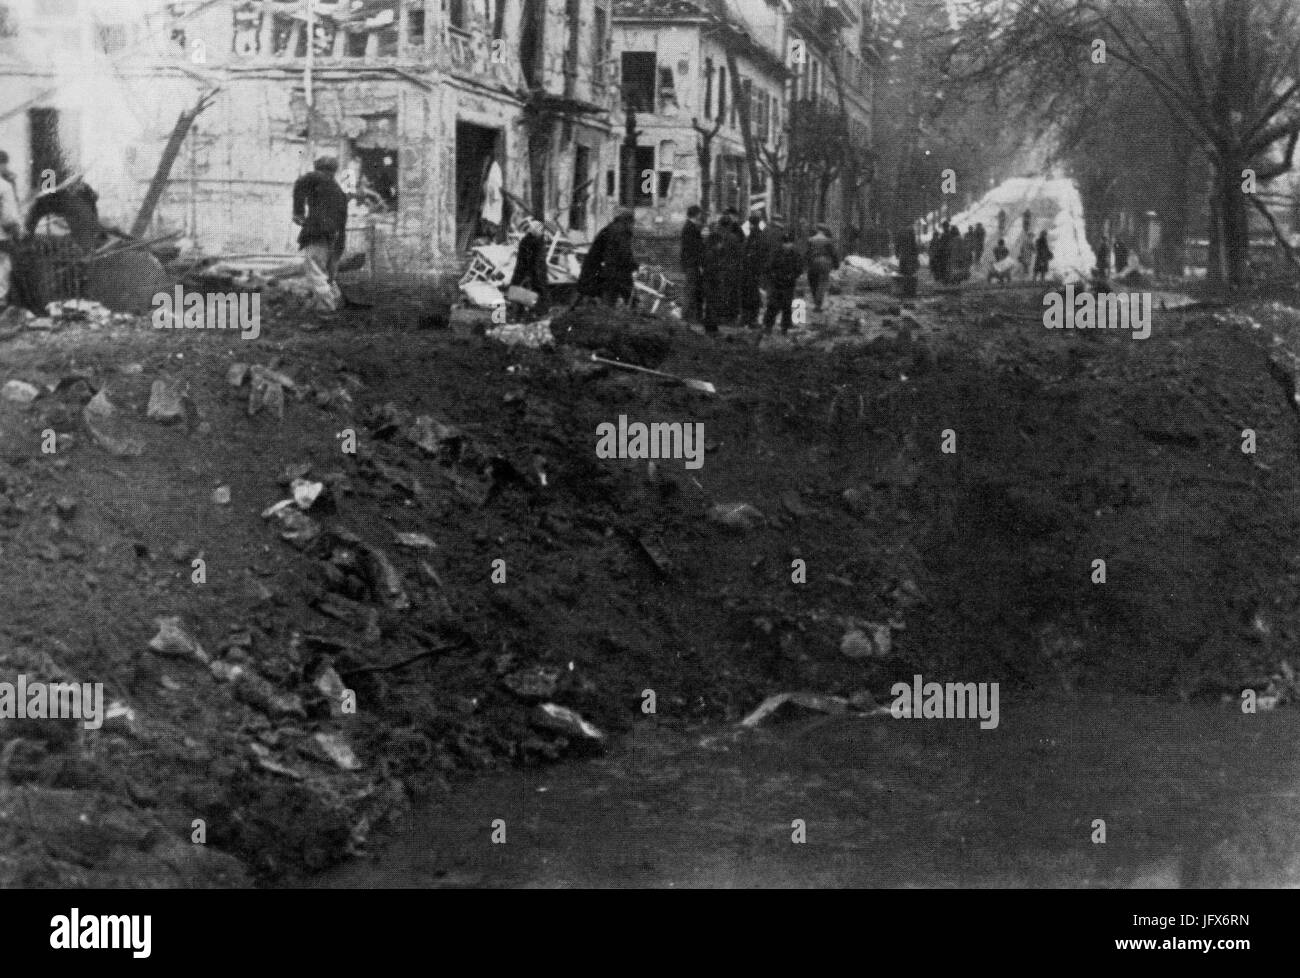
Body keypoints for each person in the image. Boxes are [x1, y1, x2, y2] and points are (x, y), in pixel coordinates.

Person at [292, 155, 349, 311]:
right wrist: (339, 246)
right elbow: (343, 220)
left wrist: (298, 212)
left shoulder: (318, 178)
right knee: (327, 275)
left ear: (318, 168)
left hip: (317, 233)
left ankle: (326, 310)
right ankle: (337, 301)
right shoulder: (339, 190)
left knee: (316, 272)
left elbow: (300, 182)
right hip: (335, 237)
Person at [577, 210, 637, 306]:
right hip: (617, 270)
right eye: (633, 224)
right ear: (630, 222)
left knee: (610, 295)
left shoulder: (608, 229)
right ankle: (634, 316)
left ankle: (607, 313)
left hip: (602, 269)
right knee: (629, 298)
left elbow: (599, 252)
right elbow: (623, 252)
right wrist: (633, 265)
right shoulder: (623, 231)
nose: (633, 227)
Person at [702, 214, 743, 332]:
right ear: (730, 225)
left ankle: (718, 318)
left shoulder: (714, 237)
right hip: (729, 270)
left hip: (718, 270)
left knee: (718, 295)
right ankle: (727, 318)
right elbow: (739, 255)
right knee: (729, 294)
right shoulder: (733, 238)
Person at [763, 230, 805, 333]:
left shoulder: (777, 251)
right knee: (786, 305)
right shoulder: (795, 252)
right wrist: (793, 276)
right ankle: (784, 327)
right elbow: (799, 268)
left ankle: (768, 326)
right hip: (789, 282)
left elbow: (769, 266)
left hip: (777, 281)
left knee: (773, 305)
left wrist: (772, 276)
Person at [739, 211, 774, 329]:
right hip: (756, 271)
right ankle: (752, 319)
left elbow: (745, 252)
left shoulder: (750, 236)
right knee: (754, 295)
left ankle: (745, 318)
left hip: (748, 270)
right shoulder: (762, 235)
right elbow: (765, 253)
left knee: (747, 295)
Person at [510, 219, 549, 309]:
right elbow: (531, 260)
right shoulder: (533, 242)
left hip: (529, 272)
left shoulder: (528, 240)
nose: (541, 232)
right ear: (534, 229)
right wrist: (534, 273)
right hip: (532, 272)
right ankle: (534, 313)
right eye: (540, 230)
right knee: (533, 293)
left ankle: (522, 313)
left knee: (524, 293)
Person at [0, 151, 22, 309]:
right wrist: (17, 231)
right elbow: (9, 218)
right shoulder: (4, 186)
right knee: (4, 265)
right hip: (2, 236)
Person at [679, 204, 705, 322]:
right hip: (692, 264)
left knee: (693, 289)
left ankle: (691, 316)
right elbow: (695, 248)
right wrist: (700, 264)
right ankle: (686, 316)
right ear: (697, 214)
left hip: (690, 263)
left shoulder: (690, 227)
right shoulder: (691, 228)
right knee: (690, 289)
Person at [806, 223, 838, 312]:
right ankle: (818, 304)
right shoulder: (828, 241)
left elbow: (807, 253)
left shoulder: (810, 240)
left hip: (813, 263)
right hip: (825, 264)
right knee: (822, 283)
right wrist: (836, 264)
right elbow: (833, 254)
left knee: (813, 283)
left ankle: (816, 300)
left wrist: (805, 264)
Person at [894, 226, 919, 298]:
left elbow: (898, 245)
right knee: (909, 274)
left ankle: (903, 290)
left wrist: (897, 253)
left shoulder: (902, 237)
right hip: (909, 258)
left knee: (904, 273)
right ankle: (909, 291)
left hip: (904, 257)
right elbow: (914, 247)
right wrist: (915, 256)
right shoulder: (911, 238)